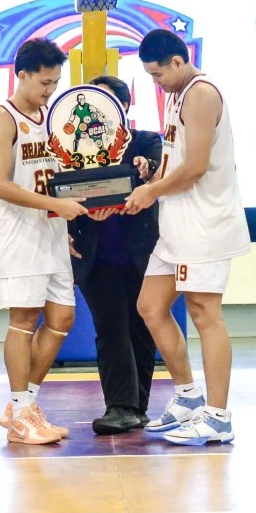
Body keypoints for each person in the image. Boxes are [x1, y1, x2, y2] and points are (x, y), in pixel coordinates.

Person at [124, 29, 250, 446]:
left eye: (158, 74)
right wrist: (151, 179)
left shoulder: (201, 94)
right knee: (150, 306)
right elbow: (174, 158)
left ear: (178, 62)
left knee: (203, 312)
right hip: (177, 224)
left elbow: (195, 166)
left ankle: (218, 417)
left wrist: (151, 192)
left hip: (205, 225)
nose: (155, 82)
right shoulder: (175, 94)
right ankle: (188, 396)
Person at [0, 37, 89, 445]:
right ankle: (21, 410)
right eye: (45, 82)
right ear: (22, 75)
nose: (50, 89)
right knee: (24, 320)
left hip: (51, 231)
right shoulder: (1, 118)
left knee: (62, 319)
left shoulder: (52, 116)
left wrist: (66, 216)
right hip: (17, 234)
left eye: (55, 83)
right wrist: (54, 206)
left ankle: (23, 404)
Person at [68, 75, 162, 435]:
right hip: (94, 255)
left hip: (141, 252)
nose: (99, 111)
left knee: (141, 327)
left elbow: (155, 169)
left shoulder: (146, 141)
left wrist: (146, 167)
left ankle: (138, 406)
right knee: (110, 326)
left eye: (107, 103)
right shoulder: (72, 148)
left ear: (124, 107)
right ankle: (119, 406)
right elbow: (60, 192)